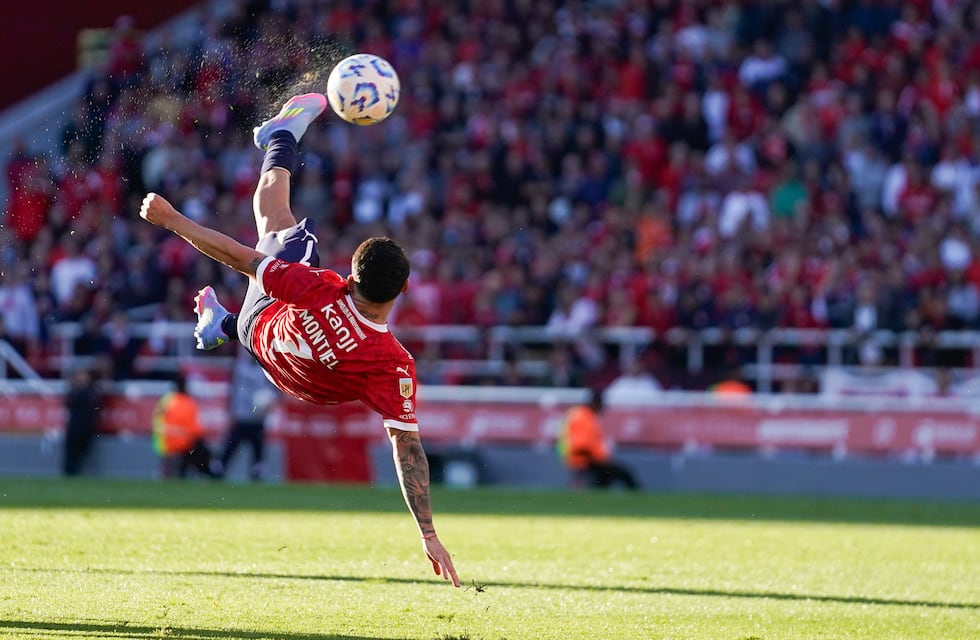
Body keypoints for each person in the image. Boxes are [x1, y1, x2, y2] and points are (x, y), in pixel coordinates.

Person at [138, 93, 460, 587]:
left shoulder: (323, 289)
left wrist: (172, 220)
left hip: (260, 328)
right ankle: (217, 325)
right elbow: (408, 449)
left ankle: (280, 136)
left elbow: (239, 256)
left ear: (350, 279)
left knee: (279, 226)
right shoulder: (393, 365)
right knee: (275, 232)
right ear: (404, 290)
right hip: (282, 371)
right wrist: (428, 533)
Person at [557, 388, 639, 490]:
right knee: (623, 473)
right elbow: (581, 445)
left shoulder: (581, 414)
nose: (602, 408)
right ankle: (638, 498)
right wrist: (600, 459)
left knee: (607, 476)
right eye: (601, 404)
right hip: (584, 460)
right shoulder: (582, 417)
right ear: (594, 403)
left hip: (582, 459)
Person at [218, 345, 278, 481]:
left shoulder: (265, 369)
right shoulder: (239, 367)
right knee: (231, 446)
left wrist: (270, 402)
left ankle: (257, 471)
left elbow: (272, 392)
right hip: (241, 416)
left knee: (258, 449)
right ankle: (220, 468)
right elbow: (233, 391)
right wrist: (230, 410)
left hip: (257, 418)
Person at [152, 374, 218, 479]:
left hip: (163, 446)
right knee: (201, 450)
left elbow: (156, 423)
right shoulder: (188, 403)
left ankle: (168, 472)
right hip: (182, 447)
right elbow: (197, 431)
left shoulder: (165, 401)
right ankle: (211, 473)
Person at [62, 366, 102, 476]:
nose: (81, 378)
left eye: (83, 376)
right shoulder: (74, 392)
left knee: (82, 454)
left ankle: (78, 473)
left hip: (86, 428)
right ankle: (68, 474)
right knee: (70, 454)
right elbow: (67, 405)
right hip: (74, 427)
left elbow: (96, 408)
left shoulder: (92, 392)